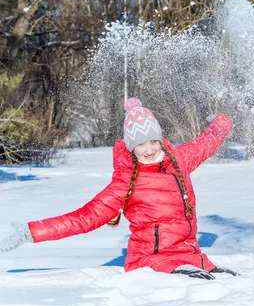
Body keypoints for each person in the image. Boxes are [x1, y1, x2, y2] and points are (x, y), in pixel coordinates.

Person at [0, 98, 237, 280]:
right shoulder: (126, 180)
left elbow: (207, 142)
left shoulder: (178, 160)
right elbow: (87, 217)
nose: (150, 149)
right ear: (131, 146)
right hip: (151, 262)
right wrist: (32, 231)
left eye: (153, 141)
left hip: (192, 257)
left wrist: (223, 121)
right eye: (141, 144)